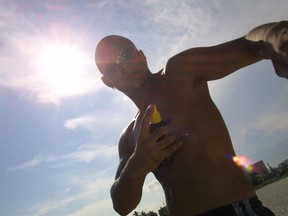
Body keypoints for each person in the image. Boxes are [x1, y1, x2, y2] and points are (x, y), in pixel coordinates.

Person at [95, 21, 288, 216]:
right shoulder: (128, 138)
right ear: (106, 81)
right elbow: (121, 205)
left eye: (126, 54)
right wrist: (137, 166)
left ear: (142, 56)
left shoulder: (180, 73)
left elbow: (250, 45)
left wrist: (277, 35)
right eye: (111, 66)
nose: (123, 65)